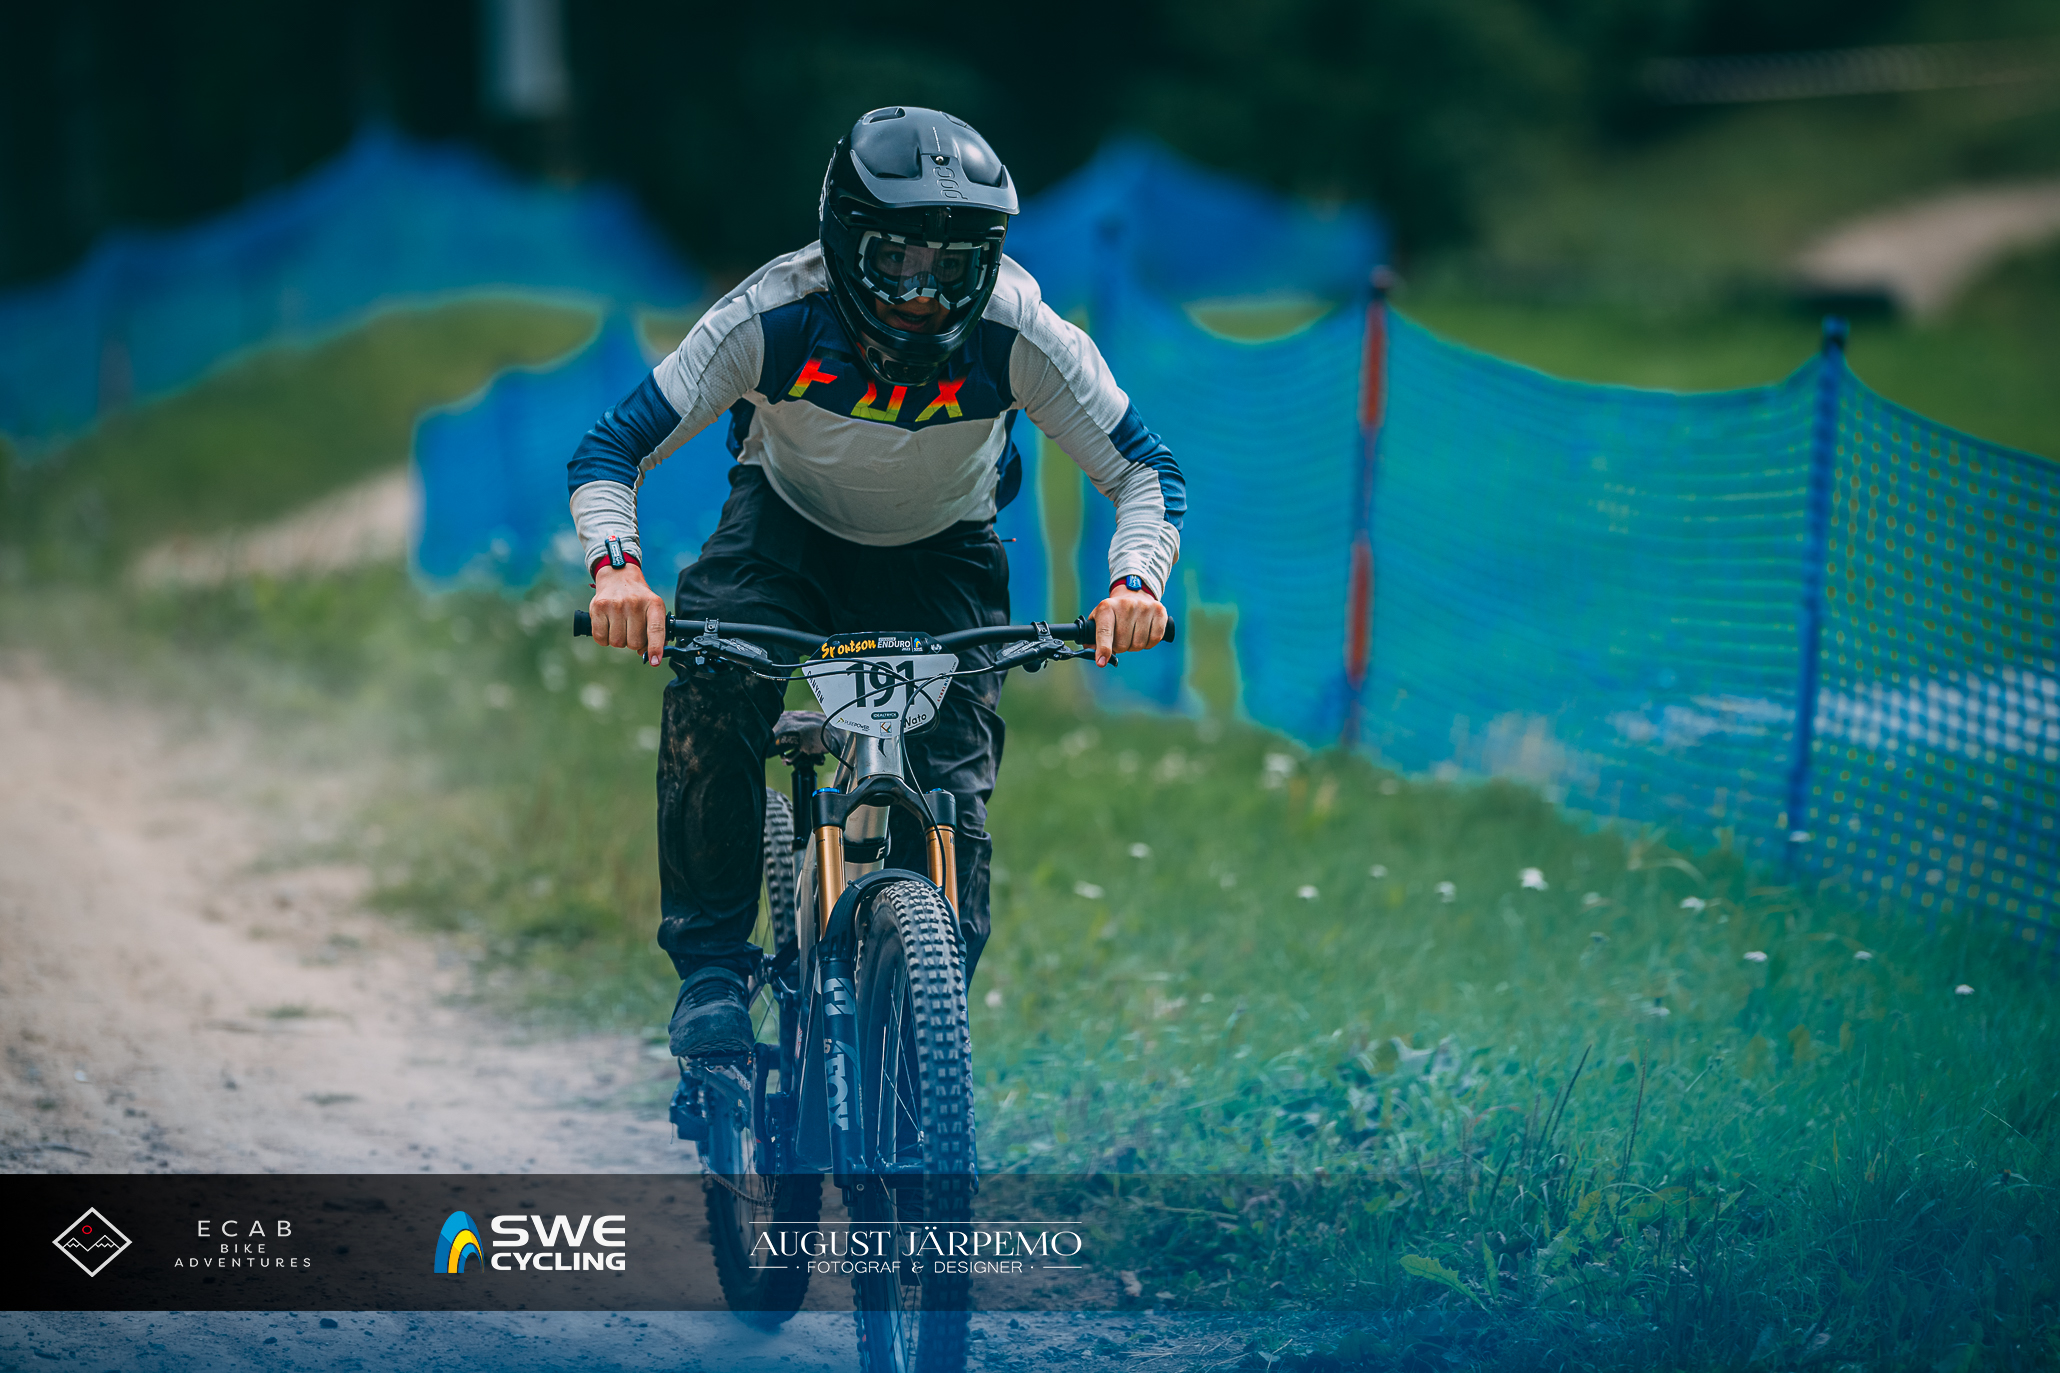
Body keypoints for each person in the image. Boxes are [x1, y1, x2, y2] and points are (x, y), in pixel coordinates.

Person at [569, 107, 1182, 1058]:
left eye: (955, 267)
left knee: (954, 807)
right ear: (844, 241)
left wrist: (1135, 583)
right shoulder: (771, 316)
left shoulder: (1019, 330)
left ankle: (911, 1041)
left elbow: (1144, 470)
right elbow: (613, 447)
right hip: (783, 532)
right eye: (897, 260)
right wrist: (618, 571)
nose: (924, 295)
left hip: (945, 553)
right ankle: (714, 974)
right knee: (715, 690)